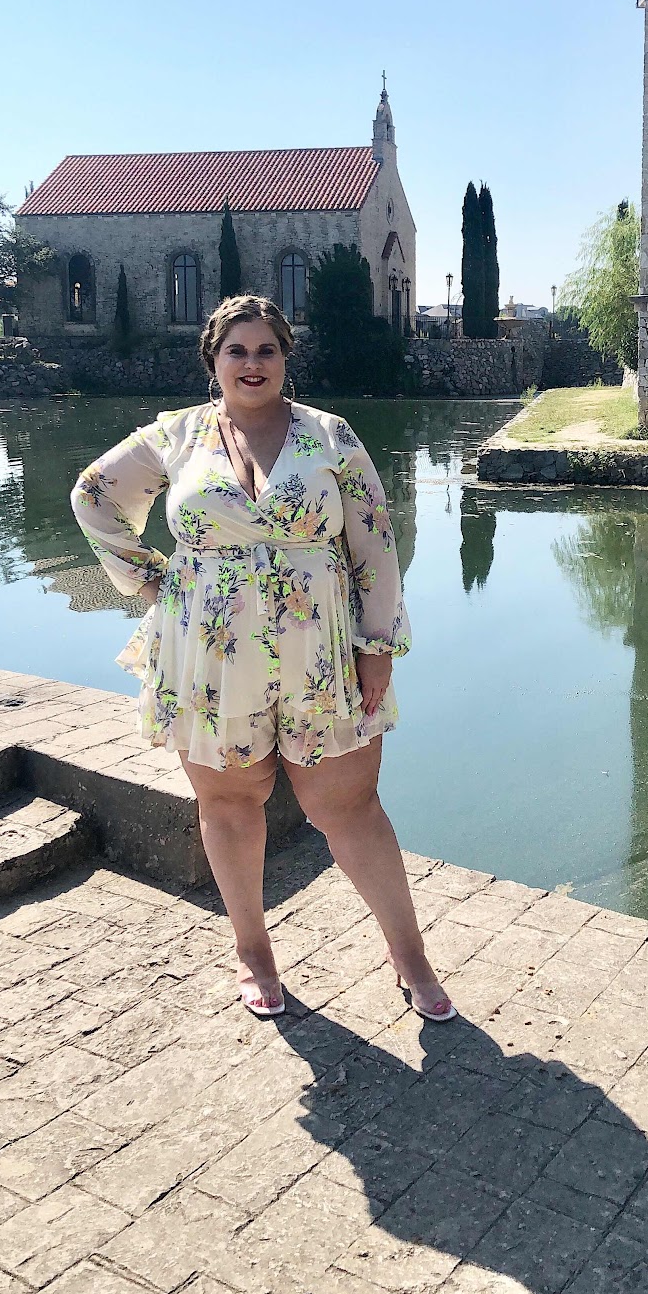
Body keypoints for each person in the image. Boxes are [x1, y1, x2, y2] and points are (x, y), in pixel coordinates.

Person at [70, 293, 454, 1022]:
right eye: (237, 351)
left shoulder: (329, 435)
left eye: (266, 349)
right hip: (211, 658)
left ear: (285, 357)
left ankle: (410, 955)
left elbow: (376, 542)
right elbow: (93, 496)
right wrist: (153, 581)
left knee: (350, 808)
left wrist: (378, 647)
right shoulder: (176, 436)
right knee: (229, 804)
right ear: (212, 361)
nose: (253, 364)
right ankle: (253, 952)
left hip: (321, 651)